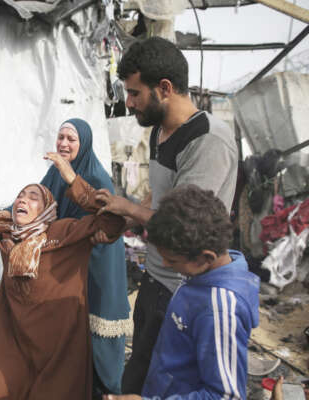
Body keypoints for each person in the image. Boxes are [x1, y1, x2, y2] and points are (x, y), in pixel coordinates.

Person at [95, 36, 239, 394]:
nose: (128, 104)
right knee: (141, 376)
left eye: (134, 93)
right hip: (156, 277)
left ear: (164, 88)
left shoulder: (208, 141)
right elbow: (160, 196)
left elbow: (184, 224)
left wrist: (128, 207)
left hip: (183, 289)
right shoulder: (161, 130)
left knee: (162, 384)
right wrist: (128, 219)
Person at [0, 160, 126, 400]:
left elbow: (113, 222)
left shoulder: (63, 232)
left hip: (58, 343)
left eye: (33, 197)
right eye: (20, 196)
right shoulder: (8, 231)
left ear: (47, 209)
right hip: (14, 333)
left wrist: (74, 182)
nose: (22, 200)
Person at [104, 184, 259, 400]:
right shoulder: (203, 274)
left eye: (172, 260)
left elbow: (226, 396)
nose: (166, 264)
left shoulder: (218, 311)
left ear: (205, 258)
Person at [39, 118, 130, 396]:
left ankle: (106, 390)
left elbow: (109, 221)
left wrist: (71, 177)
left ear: (84, 144)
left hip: (97, 264)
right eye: (61, 137)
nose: (64, 144)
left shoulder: (97, 177)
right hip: (70, 263)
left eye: (71, 139)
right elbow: (36, 199)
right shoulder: (55, 173)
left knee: (97, 335)